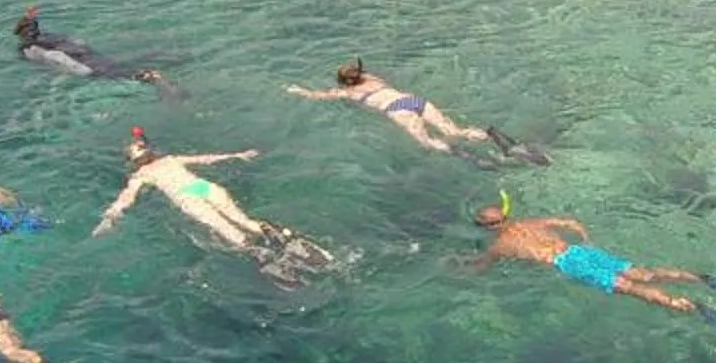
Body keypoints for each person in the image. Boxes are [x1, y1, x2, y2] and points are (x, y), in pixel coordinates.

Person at [93, 127, 334, 278]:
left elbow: (125, 199)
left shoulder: (142, 175)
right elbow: (206, 159)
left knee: (231, 233)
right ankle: (284, 237)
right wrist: (236, 155)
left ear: (133, 161)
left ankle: (267, 257)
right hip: (200, 186)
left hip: (186, 196)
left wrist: (109, 218)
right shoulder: (171, 159)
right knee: (245, 221)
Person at [467, 198, 716, 318]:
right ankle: (703, 279)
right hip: (580, 251)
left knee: (630, 288)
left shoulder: (500, 246)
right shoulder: (532, 222)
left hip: (567, 263)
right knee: (645, 273)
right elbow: (570, 222)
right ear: (505, 216)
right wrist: (586, 240)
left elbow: (481, 268)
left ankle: (691, 306)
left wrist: (458, 267)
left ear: (489, 228)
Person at [284, 60, 535, 161]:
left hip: (397, 109)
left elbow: (321, 96)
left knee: (428, 143)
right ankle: (489, 135)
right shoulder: (372, 78)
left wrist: (300, 92)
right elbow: (357, 74)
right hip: (413, 100)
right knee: (454, 130)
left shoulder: (349, 92)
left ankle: (468, 157)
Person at [15, 5, 170, 90]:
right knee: (114, 68)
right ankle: (154, 69)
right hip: (88, 56)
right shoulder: (46, 37)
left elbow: (57, 58)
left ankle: (153, 77)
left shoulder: (30, 46)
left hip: (86, 62)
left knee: (113, 71)